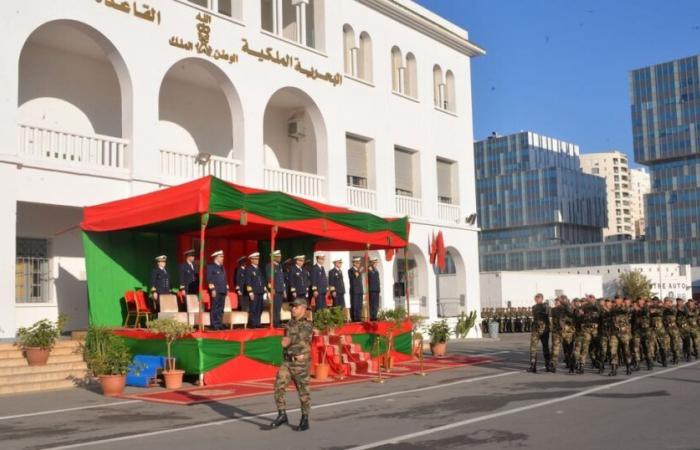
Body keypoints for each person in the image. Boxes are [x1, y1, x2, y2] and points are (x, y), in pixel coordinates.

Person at [269, 297, 313, 432]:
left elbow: (299, 337)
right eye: (292, 306)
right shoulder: (289, 324)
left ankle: (305, 418)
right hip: (287, 361)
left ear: (304, 309)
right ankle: (282, 414)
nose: (293, 309)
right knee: (278, 386)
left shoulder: (307, 324)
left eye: (296, 307)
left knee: (303, 392)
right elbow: (285, 341)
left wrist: (288, 340)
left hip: (300, 363)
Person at [608, 296, 632, 376]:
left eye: (618, 299)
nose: (617, 300)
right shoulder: (613, 308)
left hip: (624, 332)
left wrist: (621, 305)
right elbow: (610, 314)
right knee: (613, 350)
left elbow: (627, 311)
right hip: (614, 333)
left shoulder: (625, 307)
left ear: (621, 300)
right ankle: (613, 369)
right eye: (616, 299)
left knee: (626, 350)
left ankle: (628, 367)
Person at [550, 295, 575, 373]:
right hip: (557, 331)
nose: (557, 302)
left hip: (568, 331)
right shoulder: (554, 310)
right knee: (555, 348)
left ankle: (571, 365)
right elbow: (552, 320)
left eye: (558, 300)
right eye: (556, 301)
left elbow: (571, 313)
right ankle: (553, 365)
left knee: (569, 349)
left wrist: (564, 303)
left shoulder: (569, 308)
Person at [527, 293, 550, 373]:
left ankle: (548, 365)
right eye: (535, 298)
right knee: (533, 348)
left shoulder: (545, 306)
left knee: (545, 348)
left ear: (541, 298)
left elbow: (547, 313)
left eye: (537, 298)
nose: (536, 299)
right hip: (536, 329)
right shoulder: (534, 307)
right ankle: (533, 365)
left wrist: (544, 305)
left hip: (544, 330)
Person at [206, 250, 228, 330]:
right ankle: (214, 324)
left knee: (221, 308)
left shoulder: (222, 267)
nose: (223, 258)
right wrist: (212, 289)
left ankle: (219, 323)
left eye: (223, 257)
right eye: (221, 257)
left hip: (222, 290)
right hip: (216, 290)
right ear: (217, 257)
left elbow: (224, 279)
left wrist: (226, 288)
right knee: (215, 307)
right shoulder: (211, 266)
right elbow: (209, 279)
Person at [245, 252, 266, 328]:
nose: (257, 260)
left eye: (258, 259)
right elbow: (248, 281)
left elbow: (262, 280)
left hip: (260, 291)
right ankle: (253, 323)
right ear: (251, 260)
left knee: (260, 308)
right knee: (253, 308)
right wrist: (250, 292)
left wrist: (264, 289)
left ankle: (258, 322)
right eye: (256, 259)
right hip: (254, 292)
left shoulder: (259, 269)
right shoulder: (249, 269)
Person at [266, 250, 286, 328]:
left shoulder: (279, 266)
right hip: (275, 290)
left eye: (280, 256)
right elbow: (269, 278)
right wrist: (271, 288)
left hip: (280, 289)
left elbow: (282, 279)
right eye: (278, 256)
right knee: (275, 307)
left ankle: (277, 322)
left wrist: (284, 290)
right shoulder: (270, 266)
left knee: (278, 307)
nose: (280, 258)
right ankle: (274, 323)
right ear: (274, 257)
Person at [662, 297, 682, 365]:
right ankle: (665, 357)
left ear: (670, 302)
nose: (665, 302)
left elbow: (674, 311)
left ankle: (676, 358)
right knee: (665, 343)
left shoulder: (673, 308)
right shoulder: (663, 309)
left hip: (673, 328)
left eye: (667, 301)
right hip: (666, 328)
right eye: (665, 301)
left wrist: (667, 307)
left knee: (674, 344)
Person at [348, 257, 364, 322]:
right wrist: (359, 271)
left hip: (360, 290)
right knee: (355, 304)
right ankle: (354, 318)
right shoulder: (351, 270)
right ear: (354, 263)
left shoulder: (358, 270)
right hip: (354, 290)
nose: (359, 264)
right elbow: (356, 275)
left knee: (359, 305)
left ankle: (358, 317)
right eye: (357, 263)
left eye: (359, 263)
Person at [368, 257, 381, 321]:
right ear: (372, 263)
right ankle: (372, 317)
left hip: (376, 289)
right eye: (375, 262)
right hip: (372, 289)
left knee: (376, 304)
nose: (376, 264)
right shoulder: (370, 269)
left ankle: (375, 316)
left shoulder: (376, 269)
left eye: (376, 262)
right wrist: (371, 269)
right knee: (372, 304)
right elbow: (371, 277)